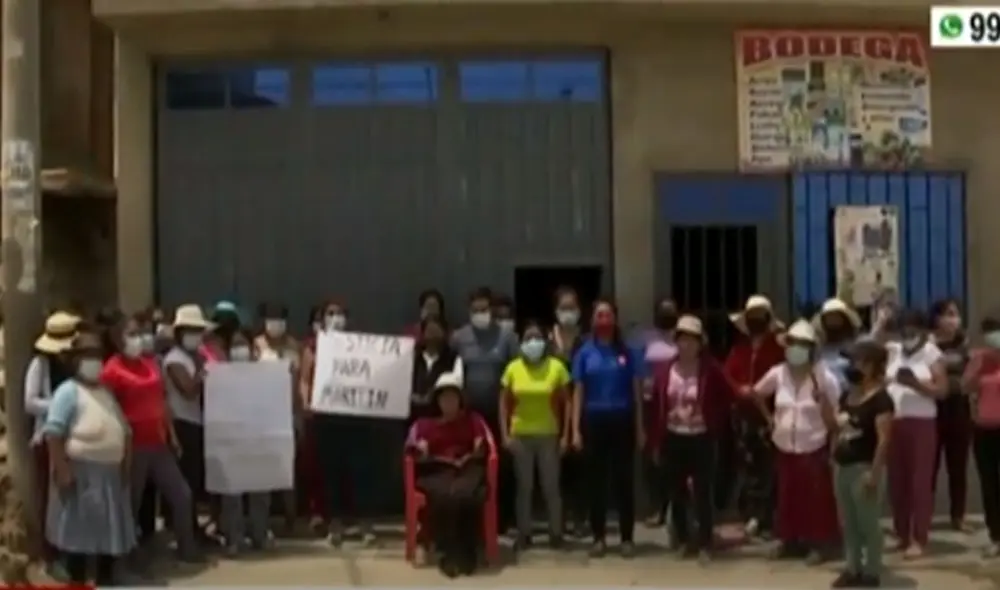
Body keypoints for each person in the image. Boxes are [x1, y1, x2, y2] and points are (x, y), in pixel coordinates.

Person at [100, 313, 202, 564]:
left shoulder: (151, 364)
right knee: (131, 503)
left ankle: (186, 548)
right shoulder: (111, 370)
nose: (138, 339)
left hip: (158, 442)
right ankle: (126, 557)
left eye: (140, 333)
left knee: (182, 495)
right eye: (132, 334)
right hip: (132, 447)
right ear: (117, 339)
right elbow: (106, 408)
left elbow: (163, 401)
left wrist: (173, 437)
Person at [43, 332, 135, 585]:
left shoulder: (105, 392)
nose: (94, 361)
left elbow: (125, 430)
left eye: (97, 356)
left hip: (110, 476)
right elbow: (53, 433)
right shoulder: (67, 392)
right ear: (75, 361)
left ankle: (105, 579)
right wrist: (62, 469)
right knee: (77, 540)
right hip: (80, 475)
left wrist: (126, 465)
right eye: (87, 356)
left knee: (106, 539)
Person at [648, 315, 735, 563]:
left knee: (702, 492)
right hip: (673, 437)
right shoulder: (666, 370)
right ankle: (685, 540)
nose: (686, 345)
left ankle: (706, 542)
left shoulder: (711, 369)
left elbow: (729, 393)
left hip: (701, 438)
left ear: (700, 343)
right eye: (682, 340)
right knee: (676, 492)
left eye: (691, 340)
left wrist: (715, 419)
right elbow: (656, 406)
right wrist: (655, 441)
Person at [752, 319, 840, 564]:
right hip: (785, 445)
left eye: (802, 344)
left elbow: (836, 414)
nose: (796, 348)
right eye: (792, 343)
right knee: (788, 496)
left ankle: (820, 544)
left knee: (816, 498)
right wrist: (770, 419)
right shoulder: (778, 373)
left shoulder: (824, 377)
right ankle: (790, 541)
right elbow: (757, 393)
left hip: (814, 445)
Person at [570, 298, 644, 558]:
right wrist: (575, 430)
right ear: (592, 320)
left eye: (608, 315)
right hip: (594, 421)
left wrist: (640, 427)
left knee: (624, 481)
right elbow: (577, 393)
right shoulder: (584, 353)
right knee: (596, 483)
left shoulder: (628, 352)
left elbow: (636, 393)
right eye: (599, 315)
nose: (603, 320)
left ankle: (626, 538)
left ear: (615, 318)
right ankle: (598, 537)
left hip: (622, 420)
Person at [305, 302, 379, 546]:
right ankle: (334, 524)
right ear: (322, 318)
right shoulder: (314, 347)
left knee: (361, 472)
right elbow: (305, 379)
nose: (336, 318)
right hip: (327, 419)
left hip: (355, 418)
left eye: (340, 313)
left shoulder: (359, 345)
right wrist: (307, 403)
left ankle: (365, 523)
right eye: (331, 313)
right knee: (331, 472)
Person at [451, 287, 519, 532]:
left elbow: (517, 373)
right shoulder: (459, 338)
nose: (481, 313)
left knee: (504, 467)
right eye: (476, 310)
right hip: (470, 415)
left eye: (485, 309)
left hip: (500, 412)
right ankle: (477, 520)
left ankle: (504, 520)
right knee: (473, 466)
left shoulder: (507, 337)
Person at [407, 373, 488, 578]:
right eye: (444, 398)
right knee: (446, 495)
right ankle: (447, 551)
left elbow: (481, 444)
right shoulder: (425, 425)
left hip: (467, 467)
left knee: (468, 494)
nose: (449, 402)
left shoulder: (473, 420)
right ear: (437, 401)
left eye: (453, 398)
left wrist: (476, 449)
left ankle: (467, 550)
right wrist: (422, 449)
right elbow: (415, 449)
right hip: (438, 469)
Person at [500, 320, 571, 549]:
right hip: (520, 434)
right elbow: (503, 402)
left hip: (548, 434)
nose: (533, 342)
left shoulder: (556, 367)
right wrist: (504, 434)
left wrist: (565, 435)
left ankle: (556, 532)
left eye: (537, 338)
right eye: (528, 338)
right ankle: (524, 533)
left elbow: (567, 402)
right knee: (524, 487)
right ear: (521, 343)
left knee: (551, 486)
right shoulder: (513, 368)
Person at [830, 339, 894, 588]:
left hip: (864, 468)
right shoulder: (848, 394)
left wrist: (875, 473)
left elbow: (884, 439)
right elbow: (837, 427)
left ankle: (872, 571)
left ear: (873, 365)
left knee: (868, 523)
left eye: (859, 361)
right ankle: (852, 568)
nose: (853, 365)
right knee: (848, 523)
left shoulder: (881, 400)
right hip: (842, 466)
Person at [884, 308, 947, 559]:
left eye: (912, 330)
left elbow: (942, 390)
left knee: (919, 482)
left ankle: (919, 537)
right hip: (894, 421)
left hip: (921, 423)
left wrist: (916, 385)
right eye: (903, 330)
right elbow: (868, 341)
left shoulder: (932, 354)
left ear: (923, 331)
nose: (907, 334)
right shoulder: (894, 351)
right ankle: (901, 533)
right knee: (897, 482)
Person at [723, 294, 785, 537]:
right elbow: (727, 376)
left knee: (770, 469)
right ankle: (750, 515)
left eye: (761, 316)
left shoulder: (778, 348)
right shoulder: (739, 349)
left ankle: (767, 518)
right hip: (744, 416)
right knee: (748, 468)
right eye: (753, 317)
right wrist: (739, 390)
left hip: (770, 415)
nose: (756, 321)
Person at [25, 311, 80, 579]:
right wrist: (59, 406)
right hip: (48, 439)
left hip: (75, 440)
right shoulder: (41, 365)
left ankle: (72, 553)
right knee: (49, 499)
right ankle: (50, 555)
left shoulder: (74, 366)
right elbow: (30, 401)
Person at [219, 330, 273, 556]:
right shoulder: (219, 376)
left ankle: (259, 535)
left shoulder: (265, 375)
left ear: (252, 349)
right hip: (231, 442)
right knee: (232, 494)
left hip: (257, 440)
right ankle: (234, 537)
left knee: (259, 492)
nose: (239, 350)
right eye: (235, 345)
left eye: (243, 345)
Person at [163, 304, 213, 541]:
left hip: (197, 422)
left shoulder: (197, 357)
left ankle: (192, 528)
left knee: (194, 479)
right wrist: (203, 375)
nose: (195, 336)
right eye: (190, 331)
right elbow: (189, 391)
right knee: (185, 480)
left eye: (198, 331)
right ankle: (184, 531)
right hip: (181, 424)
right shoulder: (174, 360)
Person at [254, 301, 301, 533]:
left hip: (288, 413)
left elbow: (298, 381)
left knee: (288, 468)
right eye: (271, 319)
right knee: (264, 468)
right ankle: (264, 520)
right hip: (263, 415)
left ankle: (291, 517)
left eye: (280, 319)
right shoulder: (256, 347)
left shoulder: (294, 347)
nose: (276, 324)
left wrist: (299, 413)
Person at [632, 297, 679, 527]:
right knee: (652, 459)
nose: (667, 314)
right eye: (663, 310)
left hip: (676, 404)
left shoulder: (683, 337)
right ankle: (656, 507)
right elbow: (638, 377)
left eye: (671, 310)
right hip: (651, 405)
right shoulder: (644, 338)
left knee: (674, 457)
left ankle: (674, 508)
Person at [929, 298, 971, 531]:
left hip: (959, 410)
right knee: (929, 468)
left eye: (956, 314)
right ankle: (924, 515)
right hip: (933, 411)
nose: (953, 319)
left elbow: (967, 377)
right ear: (937, 318)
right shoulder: (927, 345)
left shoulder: (964, 343)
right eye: (949, 314)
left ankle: (958, 516)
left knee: (958, 466)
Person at [548, 286, 587, 537]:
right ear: (555, 311)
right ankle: (557, 518)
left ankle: (579, 518)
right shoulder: (547, 340)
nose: (568, 313)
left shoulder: (587, 339)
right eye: (563, 308)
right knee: (555, 467)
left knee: (580, 467)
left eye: (572, 307)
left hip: (583, 406)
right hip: (553, 408)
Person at [961, 313, 1000, 557]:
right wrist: (977, 368)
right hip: (984, 429)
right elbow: (965, 387)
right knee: (989, 483)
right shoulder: (980, 359)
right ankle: (996, 535)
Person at [411, 315, 462, 423]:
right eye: (429, 331)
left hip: (440, 419)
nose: (432, 335)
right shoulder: (413, 358)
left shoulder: (453, 359)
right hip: (412, 416)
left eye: (436, 330)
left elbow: (456, 387)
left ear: (444, 333)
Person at [813, 298, 864, 392]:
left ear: (844, 318)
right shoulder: (818, 347)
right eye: (829, 317)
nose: (832, 320)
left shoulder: (856, 344)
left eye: (836, 316)